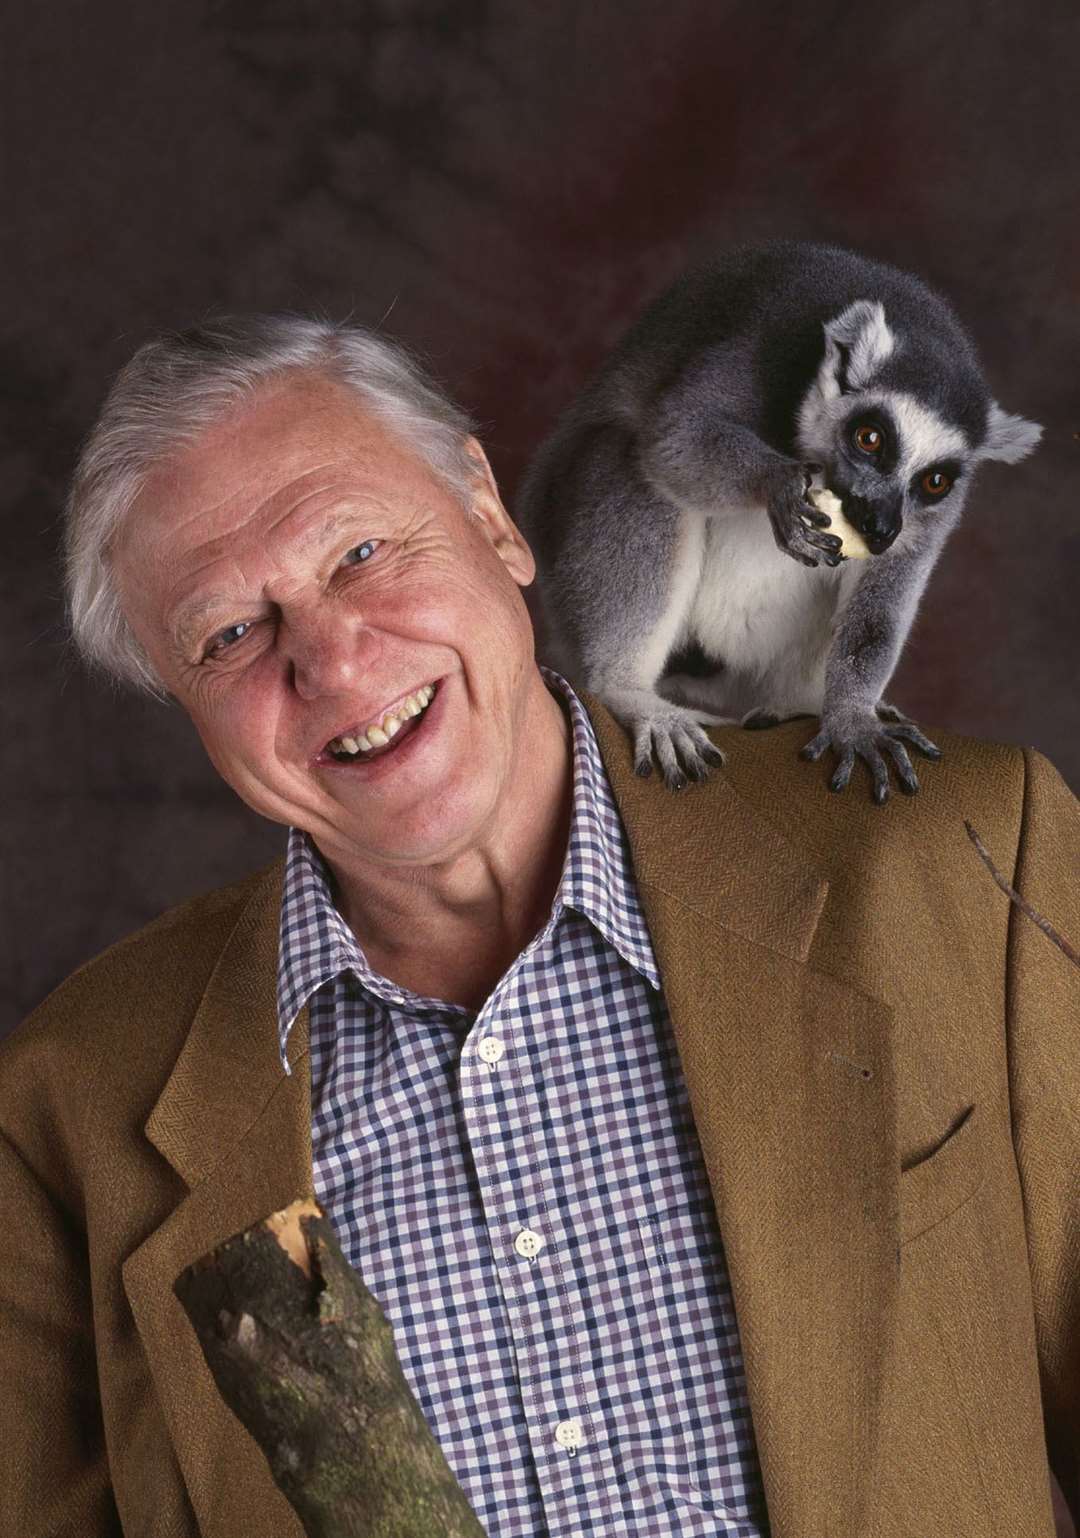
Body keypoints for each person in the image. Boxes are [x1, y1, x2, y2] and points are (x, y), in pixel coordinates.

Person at [0, 316, 1075, 1538]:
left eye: (360, 551)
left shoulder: (969, 865)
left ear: (490, 514)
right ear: (173, 689)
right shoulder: (67, 1109)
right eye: (231, 633)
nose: (335, 660)